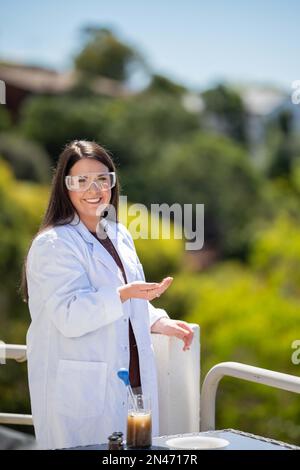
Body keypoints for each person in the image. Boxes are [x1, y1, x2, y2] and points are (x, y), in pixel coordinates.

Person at [21, 140, 194, 449]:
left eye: (103, 179)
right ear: (65, 187)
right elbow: (69, 315)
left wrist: (155, 320)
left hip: (131, 382)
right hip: (81, 392)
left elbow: (124, 298)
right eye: (81, 181)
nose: (94, 189)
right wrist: (124, 294)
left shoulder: (118, 234)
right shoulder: (54, 244)